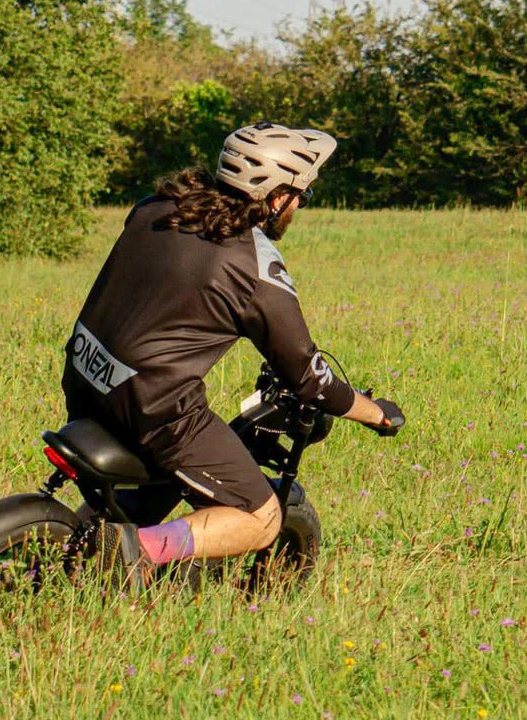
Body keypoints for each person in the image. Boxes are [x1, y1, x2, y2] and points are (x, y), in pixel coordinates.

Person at [61, 122, 403, 590]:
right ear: (277, 197)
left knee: (159, 478)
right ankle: (136, 552)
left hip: (85, 376)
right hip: (152, 410)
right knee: (261, 517)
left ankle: (82, 546)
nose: (299, 206)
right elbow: (309, 378)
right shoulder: (254, 265)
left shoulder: (157, 207)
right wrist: (375, 413)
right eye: (300, 195)